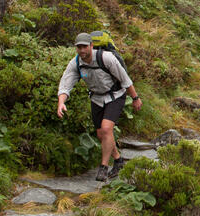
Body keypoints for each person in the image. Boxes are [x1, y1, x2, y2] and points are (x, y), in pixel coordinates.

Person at [56, 32, 143, 181]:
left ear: (91, 45)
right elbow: (66, 83)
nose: (82, 50)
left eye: (84, 46)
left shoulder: (106, 58)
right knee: (101, 134)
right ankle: (118, 160)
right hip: (96, 98)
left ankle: (103, 168)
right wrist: (61, 102)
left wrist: (135, 98)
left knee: (106, 129)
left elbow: (125, 79)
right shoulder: (76, 63)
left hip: (115, 96)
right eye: (79, 47)